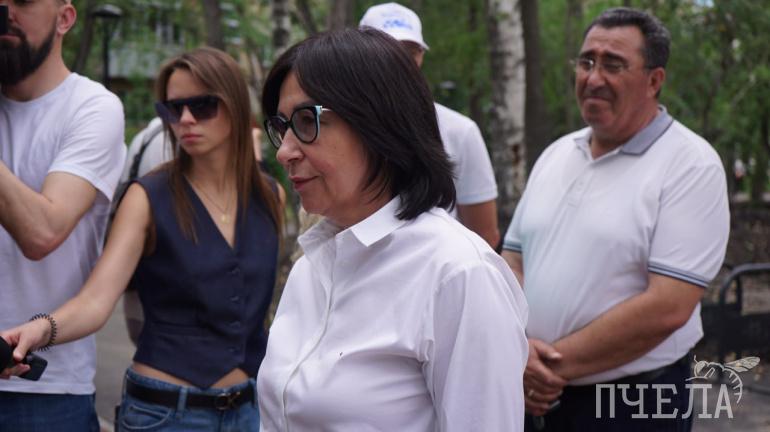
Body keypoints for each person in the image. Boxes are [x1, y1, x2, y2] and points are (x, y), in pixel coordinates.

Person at [257, 28, 529, 431]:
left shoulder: (458, 274)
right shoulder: (311, 266)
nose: (284, 151)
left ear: (378, 123)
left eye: (306, 121)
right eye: (282, 126)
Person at [1, 47, 283, 431]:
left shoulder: (270, 196)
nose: (186, 119)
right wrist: (40, 329)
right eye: (173, 109)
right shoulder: (148, 196)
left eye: (202, 106)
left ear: (234, 105)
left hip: (250, 411)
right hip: (165, 415)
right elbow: (96, 300)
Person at [500, 7, 730, 431]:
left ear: (654, 80)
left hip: (631, 401)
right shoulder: (556, 154)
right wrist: (518, 349)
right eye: (586, 61)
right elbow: (512, 261)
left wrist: (547, 367)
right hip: (533, 390)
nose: (593, 77)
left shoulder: (690, 165)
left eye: (613, 64)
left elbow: (668, 306)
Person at [0, 0, 125, 429]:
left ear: (65, 18)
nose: (6, 10)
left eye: (24, 1)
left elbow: (42, 232)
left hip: (46, 393)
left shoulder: (92, 107)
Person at [359, 2, 500, 248]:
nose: (401, 60)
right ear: (356, 56)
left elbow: (485, 236)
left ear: (422, 56)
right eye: (388, 49)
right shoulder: (340, 128)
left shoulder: (460, 131)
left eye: (411, 51)